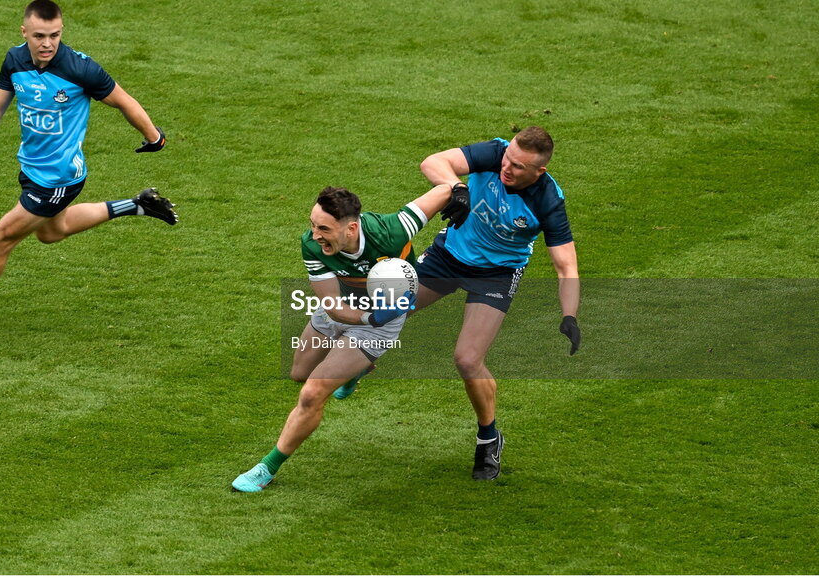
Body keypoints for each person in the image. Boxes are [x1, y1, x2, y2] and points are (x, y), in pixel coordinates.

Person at [0, 0, 177, 330]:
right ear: (24, 31)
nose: (47, 44)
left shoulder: (79, 69)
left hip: (58, 177)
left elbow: (124, 100)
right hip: (31, 169)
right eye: (40, 36)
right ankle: (138, 205)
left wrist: (154, 137)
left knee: (1, 239)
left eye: (54, 35)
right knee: (53, 233)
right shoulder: (15, 60)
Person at [232, 184, 452, 492]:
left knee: (311, 394)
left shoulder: (392, 230)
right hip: (345, 310)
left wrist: (459, 191)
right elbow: (334, 307)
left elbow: (442, 190)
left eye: (323, 228)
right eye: (313, 224)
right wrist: (368, 316)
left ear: (351, 228)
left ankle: (266, 468)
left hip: (379, 325)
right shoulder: (311, 246)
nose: (315, 234)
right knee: (299, 374)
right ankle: (358, 370)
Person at [415, 126, 581, 480]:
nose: (507, 168)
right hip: (449, 256)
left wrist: (570, 315)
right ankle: (359, 370)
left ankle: (488, 439)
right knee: (381, 311)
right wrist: (457, 188)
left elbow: (566, 264)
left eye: (519, 167)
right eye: (508, 159)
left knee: (468, 358)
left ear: (540, 172)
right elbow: (433, 162)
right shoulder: (495, 153)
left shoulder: (547, 201)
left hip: (497, 274)